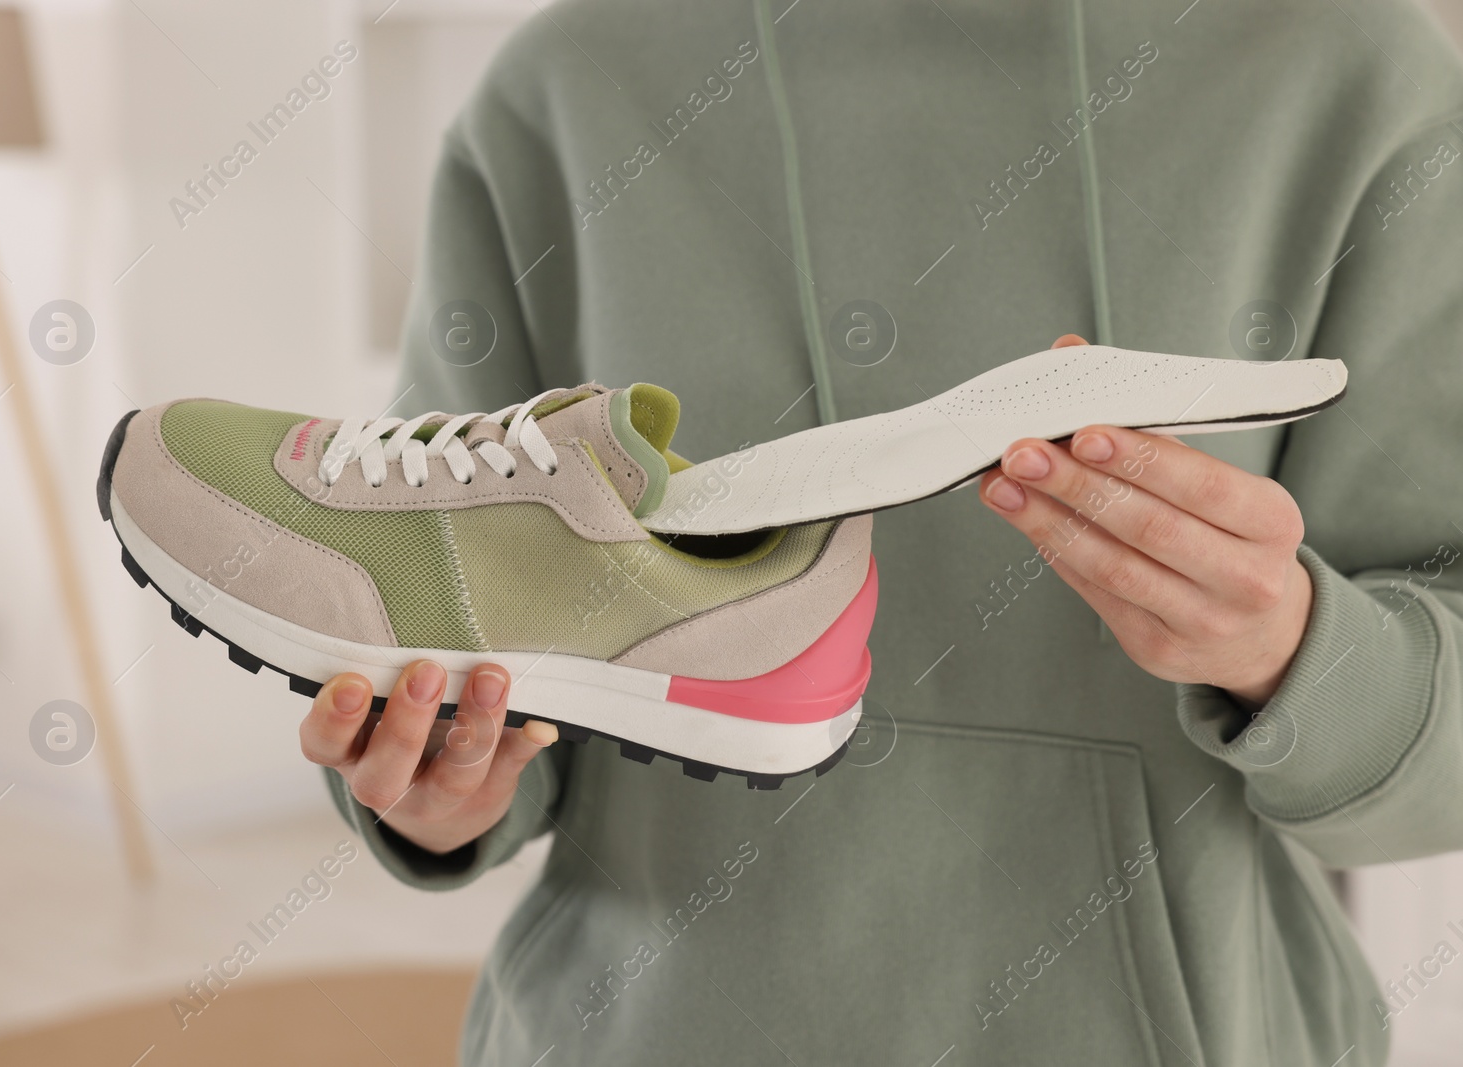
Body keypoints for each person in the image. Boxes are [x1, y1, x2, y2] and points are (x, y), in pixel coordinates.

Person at [300, 0, 1463, 1062]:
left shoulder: (1358, 74)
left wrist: (1292, 650)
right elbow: (446, 603)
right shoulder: (565, 83)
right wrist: (442, 776)